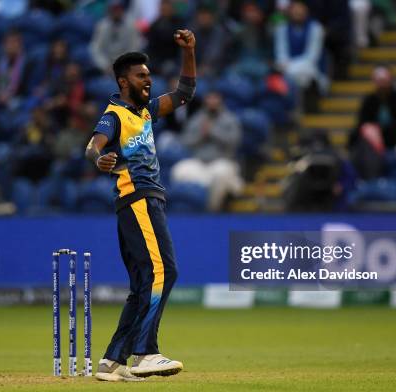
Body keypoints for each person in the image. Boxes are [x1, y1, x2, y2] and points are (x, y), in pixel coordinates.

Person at [84, 29, 196, 382]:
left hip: (142, 202)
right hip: (139, 200)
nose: (148, 79)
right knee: (165, 272)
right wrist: (99, 159)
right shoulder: (115, 114)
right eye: (141, 75)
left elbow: (184, 92)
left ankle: (112, 361)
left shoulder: (145, 111)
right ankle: (146, 352)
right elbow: (93, 146)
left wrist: (189, 51)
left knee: (143, 283)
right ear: (123, 80)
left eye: (149, 74)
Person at [171, 91, 244, 211]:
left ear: (220, 100)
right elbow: (185, 141)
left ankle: (211, 210)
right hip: (199, 162)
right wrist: (201, 134)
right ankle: (190, 209)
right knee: (180, 170)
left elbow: (234, 141)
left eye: (215, 99)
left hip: (222, 161)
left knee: (221, 174)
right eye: (209, 99)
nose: (212, 102)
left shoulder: (229, 119)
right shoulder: (197, 119)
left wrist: (213, 132)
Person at [349, 65, 396, 179]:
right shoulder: (369, 100)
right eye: (379, 81)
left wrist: (380, 132)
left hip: (395, 138)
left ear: (390, 81)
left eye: (384, 81)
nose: (382, 85)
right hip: (372, 141)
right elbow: (362, 123)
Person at [89, 0, 143, 75]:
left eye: (118, 9)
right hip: (107, 67)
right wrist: (105, 65)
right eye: (114, 9)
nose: (116, 12)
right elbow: (96, 49)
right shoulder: (102, 26)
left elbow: (135, 47)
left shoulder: (131, 25)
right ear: (109, 10)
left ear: (122, 9)